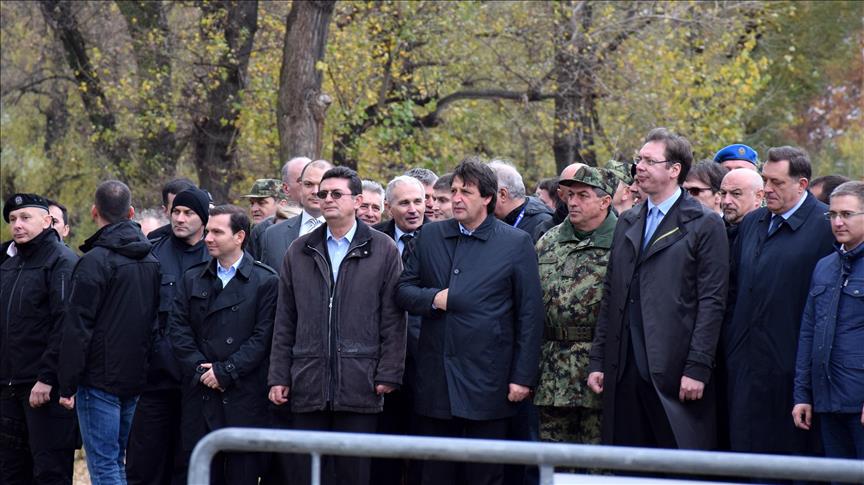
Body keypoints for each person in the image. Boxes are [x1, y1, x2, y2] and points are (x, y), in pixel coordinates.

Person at [396, 158, 543, 485]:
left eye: (467, 192)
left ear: (488, 197)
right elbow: (403, 290)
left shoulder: (515, 243)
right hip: (437, 382)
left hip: (489, 382)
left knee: (485, 474)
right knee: (436, 474)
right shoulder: (430, 235)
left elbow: (530, 314)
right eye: (455, 191)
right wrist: (435, 299)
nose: (457, 198)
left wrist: (522, 377)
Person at [587, 128, 729, 450]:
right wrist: (599, 360)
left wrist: (697, 366)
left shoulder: (704, 223)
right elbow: (611, 295)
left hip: (672, 371)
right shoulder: (628, 220)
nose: (639, 167)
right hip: (624, 369)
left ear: (674, 170)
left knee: (674, 463)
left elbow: (712, 302)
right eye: (639, 159)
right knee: (627, 463)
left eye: (650, 161)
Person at [269, 167, 406, 485]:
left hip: (360, 382)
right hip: (308, 380)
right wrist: (278, 376)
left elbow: (394, 318)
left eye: (336, 193)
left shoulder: (383, 249)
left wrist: (389, 373)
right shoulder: (299, 250)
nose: (327, 199)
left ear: (357, 200)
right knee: (306, 475)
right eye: (322, 194)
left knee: (352, 474)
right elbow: (285, 319)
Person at [723, 146, 834, 458]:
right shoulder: (752, 223)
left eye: (777, 182)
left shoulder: (825, 227)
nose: (767, 189)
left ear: (801, 184)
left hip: (794, 372)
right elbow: (734, 291)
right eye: (765, 180)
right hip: (745, 368)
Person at [58, 180, 160, 484]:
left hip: (98, 380)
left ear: (94, 212)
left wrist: (67, 383)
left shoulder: (94, 262)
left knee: (104, 466)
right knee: (118, 461)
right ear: (131, 212)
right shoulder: (151, 260)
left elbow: (78, 326)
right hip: (135, 374)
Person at [169, 204, 278, 485]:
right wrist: (201, 370)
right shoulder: (192, 277)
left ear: (239, 236)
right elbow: (178, 329)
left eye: (217, 232)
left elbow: (263, 337)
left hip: (242, 396)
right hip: (200, 393)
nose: (208, 238)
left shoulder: (266, 281)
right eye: (208, 231)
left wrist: (226, 371)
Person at [126, 187, 211, 485]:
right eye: (176, 212)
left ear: (204, 219)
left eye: (188, 213)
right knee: (145, 464)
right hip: (155, 380)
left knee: (187, 464)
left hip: (198, 382)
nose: (180, 218)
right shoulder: (152, 252)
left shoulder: (215, 254)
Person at [534, 167, 617, 449]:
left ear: (605, 202)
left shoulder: (623, 240)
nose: (573, 202)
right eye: (570, 195)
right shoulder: (549, 241)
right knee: (553, 459)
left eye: (583, 195)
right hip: (551, 370)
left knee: (598, 459)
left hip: (597, 367)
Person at [1, 194, 78, 484]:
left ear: (47, 221)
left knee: (49, 472)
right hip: (9, 387)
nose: (17, 225)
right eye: (12, 219)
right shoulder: (8, 265)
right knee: (11, 472)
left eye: (25, 218)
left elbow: (66, 324)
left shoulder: (62, 261)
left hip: (44, 389)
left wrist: (47, 377)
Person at [792, 181, 864, 460]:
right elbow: (808, 332)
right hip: (827, 402)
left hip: (857, 402)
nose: (837, 222)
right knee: (837, 476)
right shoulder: (825, 267)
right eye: (832, 214)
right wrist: (802, 395)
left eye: (847, 214)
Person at [259, 159, 332, 270]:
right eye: (308, 184)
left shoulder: (350, 232)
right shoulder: (273, 235)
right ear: (301, 186)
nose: (315, 191)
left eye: (322, 185)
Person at [488, 159, 553, 243]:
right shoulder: (495, 220)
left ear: (503, 194)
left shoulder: (542, 224)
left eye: (486, 194)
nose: (484, 200)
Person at [374, 176, 426, 259]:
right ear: (388, 208)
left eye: (417, 202)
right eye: (404, 203)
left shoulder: (439, 236)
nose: (412, 210)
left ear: (424, 204)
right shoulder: (374, 237)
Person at [718, 168, 764, 245]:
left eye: (736, 194)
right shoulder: (712, 230)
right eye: (723, 193)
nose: (726, 201)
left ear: (758, 196)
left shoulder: (768, 234)